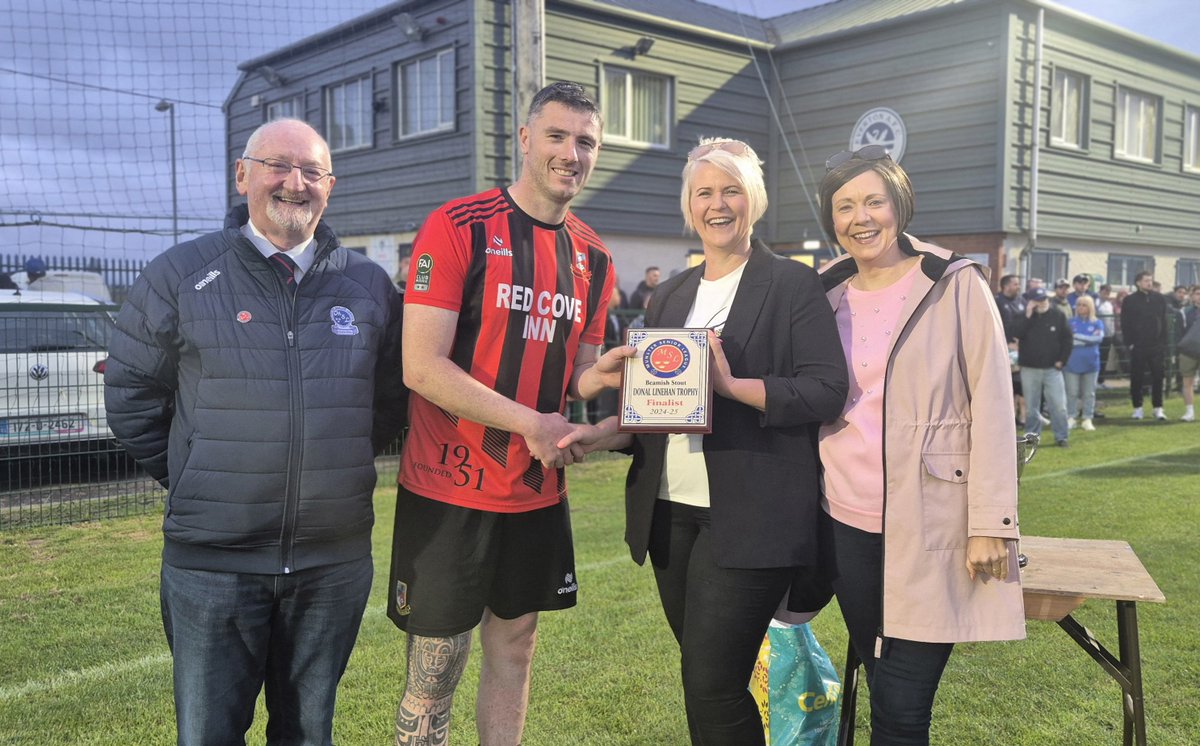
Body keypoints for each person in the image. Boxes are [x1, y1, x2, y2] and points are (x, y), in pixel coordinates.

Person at [103, 118, 408, 744]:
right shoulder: (180, 275)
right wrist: (195, 470)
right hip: (213, 566)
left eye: (312, 172)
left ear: (331, 186)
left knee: (307, 732)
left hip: (332, 562)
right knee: (209, 734)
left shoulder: (371, 286)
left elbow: (387, 400)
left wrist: (333, 458)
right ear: (242, 174)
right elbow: (134, 395)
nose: (294, 184)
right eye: (277, 165)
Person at [560, 136, 848, 744]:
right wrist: (604, 430)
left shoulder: (793, 285)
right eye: (704, 193)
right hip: (671, 514)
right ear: (688, 206)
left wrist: (733, 386)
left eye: (731, 191)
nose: (718, 205)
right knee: (707, 680)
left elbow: (825, 390)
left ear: (756, 201)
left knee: (711, 684)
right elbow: (656, 409)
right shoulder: (672, 294)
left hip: (750, 516)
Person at [387, 81, 625, 746]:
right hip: (448, 485)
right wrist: (530, 422)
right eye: (556, 135)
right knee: (436, 668)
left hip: (535, 488)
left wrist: (595, 379)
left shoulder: (594, 256)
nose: (570, 153)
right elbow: (422, 366)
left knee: (516, 646)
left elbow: (576, 369)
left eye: (586, 141)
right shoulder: (460, 224)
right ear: (525, 139)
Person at [811, 145, 1023, 744]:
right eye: (845, 206)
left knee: (903, 705)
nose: (861, 217)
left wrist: (990, 523)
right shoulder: (824, 290)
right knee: (882, 685)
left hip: (931, 520)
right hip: (844, 522)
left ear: (899, 204)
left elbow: (993, 406)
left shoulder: (954, 282)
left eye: (873, 201)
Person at [1012, 287, 1073, 446]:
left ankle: (1062, 437)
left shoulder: (1058, 315)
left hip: (1052, 368)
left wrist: (1062, 360)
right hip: (1029, 368)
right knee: (1032, 407)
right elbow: (1017, 333)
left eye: (1044, 299)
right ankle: (1032, 436)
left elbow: (1068, 339)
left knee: (1059, 405)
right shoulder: (1024, 316)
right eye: (1038, 300)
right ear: (1031, 301)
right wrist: (1028, 315)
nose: (1043, 302)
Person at [1121, 271, 1168, 420]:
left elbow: (1164, 321)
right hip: (1138, 345)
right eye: (1146, 280)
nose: (1149, 283)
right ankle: (1137, 408)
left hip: (1156, 345)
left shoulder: (1159, 299)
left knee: (1158, 377)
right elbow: (1125, 323)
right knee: (1137, 378)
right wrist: (1130, 343)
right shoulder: (1129, 300)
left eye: (1150, 280)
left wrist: (1163, 342)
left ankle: (1158, 408)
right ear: (1138, 283)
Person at [1065, 295, 1104, 431]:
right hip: (1071, 363)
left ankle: (1087, 418)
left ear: (1090, 307)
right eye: (1079, 304)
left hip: (1091, 363)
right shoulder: (1070, 322)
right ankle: (1071, 417)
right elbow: (1068, 341)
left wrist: (1077, 337)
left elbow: (1098, 338)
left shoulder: (1097, 323)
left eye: (1084, 305)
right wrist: (1086, 340)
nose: (1081, 307)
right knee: (1072, 392)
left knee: (1089, 393)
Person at [1096, 284, 1116, 385]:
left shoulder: (1109, 304)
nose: (1106, 295)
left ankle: (1101, 380)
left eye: (1108, 293)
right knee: (1097, 358)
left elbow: (1111, 319)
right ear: (1100, 292)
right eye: (1104, 293)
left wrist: (1112, 332)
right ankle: (1095, 380)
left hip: (1108, 335)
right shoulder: (1096, 303)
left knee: (1104, 358)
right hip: (1098, 335)